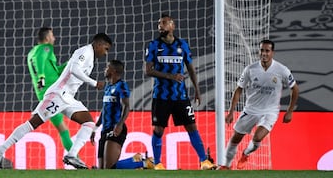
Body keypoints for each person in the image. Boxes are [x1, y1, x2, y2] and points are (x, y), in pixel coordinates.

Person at [0, 33, 113, 170]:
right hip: (58, 95)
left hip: (68, 98)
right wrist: (94, 83)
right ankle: (0, 150)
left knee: (89, 122)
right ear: (98, 44)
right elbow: (74, 69)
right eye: (106, 49)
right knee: (33, 123)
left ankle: (72, 155)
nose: (105, 53)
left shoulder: (90, 56)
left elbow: (69, 69)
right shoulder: (85, 51)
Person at [144, 13, 216, 170]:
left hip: (180, 96)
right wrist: (170, 76)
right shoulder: (153, 45)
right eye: (159, 24)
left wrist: (197, 89)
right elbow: (148, 71)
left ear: (172, 26)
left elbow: (190, 68)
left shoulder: (182, 45)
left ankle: (204, 161)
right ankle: (157, 163)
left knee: (191, 126)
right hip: (161, 96)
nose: (160, 26)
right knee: (158, 129)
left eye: (163, 23)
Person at [217, 39, 299, 170]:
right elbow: (238, 89)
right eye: (262, 50)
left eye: (267, 51)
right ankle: (226, 166)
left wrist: (290, 111)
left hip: (270, 112)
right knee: (235, 138)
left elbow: (295, 89)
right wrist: (231, 111)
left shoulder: (282, 70)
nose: (264, 53)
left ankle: (245, 154)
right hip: (250, 110)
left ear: (273, 53)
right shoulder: (250, 69)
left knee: (257, 138)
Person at [90, 60, 154, 170]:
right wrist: (95, 128)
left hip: (115, 128)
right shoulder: (108, 87)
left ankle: (143, 162)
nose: (104, 69)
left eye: (107, 67)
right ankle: (136, 160)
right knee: (101, 171)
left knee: (109, 168)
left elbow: (126, 106)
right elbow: (104, 109)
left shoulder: (122, 85)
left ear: (113, 71)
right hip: (104, 130)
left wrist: (119, 124)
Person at [27, 27, 73, 154]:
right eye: (52, 35)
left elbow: (56, 71)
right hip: (53, 94)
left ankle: (76, 158)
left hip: (46, 94)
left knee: (63, 128)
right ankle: (76, 158)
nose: (54, 38)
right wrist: (41, 76)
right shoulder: (45, 48)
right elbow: (40, 59)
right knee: (67, 127)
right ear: (47, 38)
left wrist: (70, 63)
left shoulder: (31, 52)